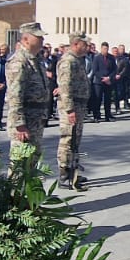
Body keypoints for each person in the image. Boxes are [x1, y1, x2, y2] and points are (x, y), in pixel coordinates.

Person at [4, 23, 50, 168]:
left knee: (32, 163)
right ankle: (16, 191)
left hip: (35, 119)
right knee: (20, 165)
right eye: (38, 37)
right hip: (25, 122)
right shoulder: (19, 61)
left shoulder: (36, 60)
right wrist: (20, 124)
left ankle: (26, 191)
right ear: (25, 39)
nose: (42, 39)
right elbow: (15, 95)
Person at [54, 33, 90, 190]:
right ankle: (64, 174)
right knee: (67, 139)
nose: (87, 47)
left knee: (75, 140)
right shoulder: (67, 61)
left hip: (78, 106)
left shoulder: (76, 60)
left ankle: (73, 171)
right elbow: (65, 87)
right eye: (85, 44)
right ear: (76, 44)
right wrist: (69, 110)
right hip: (71, 107)